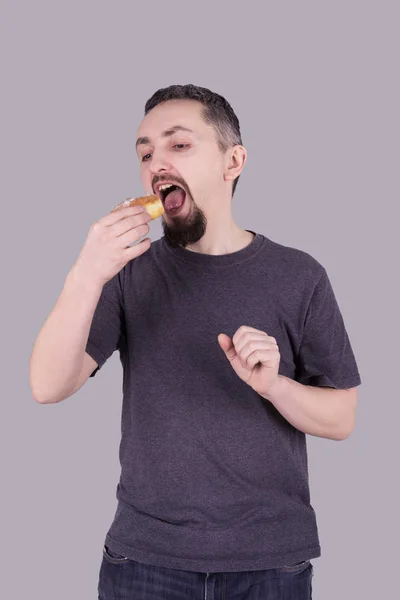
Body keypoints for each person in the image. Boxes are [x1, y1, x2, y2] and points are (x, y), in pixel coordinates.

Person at [30, 84, 362, 600]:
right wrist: (86, 273)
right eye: (145, 153)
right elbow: (47, 386)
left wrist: (274, 386)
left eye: (178, 145)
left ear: (234, 161)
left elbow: (342, 420)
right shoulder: (126, 273)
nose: (155, 163)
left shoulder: (301, 275)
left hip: (271, 562)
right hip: (143, 560)